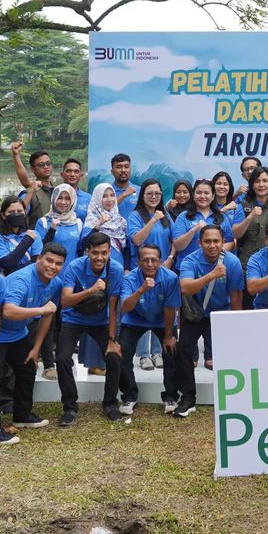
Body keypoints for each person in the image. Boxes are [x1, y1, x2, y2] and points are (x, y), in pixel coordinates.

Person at [0, 243, 63, 441]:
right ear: (38, 258)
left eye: (58, 263)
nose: (52, 266)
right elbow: (8, 311)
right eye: (49, 260)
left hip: (18, 333)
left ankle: (22, 415)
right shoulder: (22, 280)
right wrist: (40, 310)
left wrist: (36, 348)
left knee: (27, 367)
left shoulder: (56, 283)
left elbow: (48, 316)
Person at [46, 231, 127, 426]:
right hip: (73, 318)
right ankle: (70, 406)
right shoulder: (74, 266)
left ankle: (110, 403)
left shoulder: (115, 269)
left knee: (114, 357)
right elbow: (65, 301)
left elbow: (113, 305)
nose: (100, 257)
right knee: (63, 358)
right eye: (95, 253)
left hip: (101, 321)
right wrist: (90, 290)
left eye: (104, 253)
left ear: (109, 252)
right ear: (87, 252)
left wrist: (112, 340)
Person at [172, 225, 244, 415]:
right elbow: (185, 288)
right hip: (196, 314)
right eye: (207, 241)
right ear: (199, 243)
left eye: (216, 241)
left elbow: (236, 295)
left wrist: (235, 322)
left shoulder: (233, 262)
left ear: (223, 243)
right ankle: (188, 398)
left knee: (229, 355)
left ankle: (231, 397)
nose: (212, 245)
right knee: (185, 351)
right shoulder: (190, 260)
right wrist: (211, 275)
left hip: (221, 313)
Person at [109, 243, 181, 417]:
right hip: (134, 319)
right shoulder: (130, 279)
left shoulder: (170, 278)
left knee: (171, 351)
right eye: (145, 260)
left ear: (160, 261)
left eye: (154, 260)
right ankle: (129, 395)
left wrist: (168, 335)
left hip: (162, 320)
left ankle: (170, 396)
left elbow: (170, 309)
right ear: (138, 262)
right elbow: (124, 308)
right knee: (122, 355)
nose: (150, 264)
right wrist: (141, 289)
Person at [125, 179, 173, 370]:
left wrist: (169, 258)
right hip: (142, 269)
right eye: (149, 193)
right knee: (142, 309)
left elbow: (174, 240)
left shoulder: (166, 216)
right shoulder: (136, 216)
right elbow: (137, 240)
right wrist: (152, 220)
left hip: (163, 269)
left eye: (157, 194)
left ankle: (157, 351)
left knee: (160, 310)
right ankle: (143, 354)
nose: (154, 197)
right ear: (142, 195)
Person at [170, 179, 232, 273]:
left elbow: (230, 242)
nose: (202, 196)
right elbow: (178, 246)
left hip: (214, 269)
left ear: (213, 196)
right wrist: (194, 229)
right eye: (198, 193)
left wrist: (214, 252)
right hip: (188, 269)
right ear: (193, 196)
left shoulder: (222, 217)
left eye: (206, 193)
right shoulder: (183, 217)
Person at [230, 165, 268, 268]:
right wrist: (250, 217)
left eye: (265, 181)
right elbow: (235, 234)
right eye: (257, 181)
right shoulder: (242, 206)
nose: (261, 185)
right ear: (252, 185)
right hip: (248, 263)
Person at [82, 182, 130, 268]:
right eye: (104, 196)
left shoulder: (120, 220)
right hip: (95, 266)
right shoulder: (92, 219)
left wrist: (126, 268)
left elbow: (127, 247)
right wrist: (98, 225)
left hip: (117, 266)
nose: (109, 199)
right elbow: (83, 245)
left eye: (112, 195)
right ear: (97, 198)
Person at [10, 141, 56, 222]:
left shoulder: (58, 191)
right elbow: (19, 217)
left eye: (48, 163)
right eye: (41, 165)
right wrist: (16, 156)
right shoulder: (30, 193)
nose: (45, 167)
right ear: (32, 169)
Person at [0, 195, 39, 275]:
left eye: (19, 211)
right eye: (11, 212)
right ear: (3, 215)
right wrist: (27, 240)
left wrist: (11, 270)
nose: (16, 214)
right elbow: (6, 263)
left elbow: (37, 262)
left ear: (25, 213)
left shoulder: (34, 234)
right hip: (7, 282)